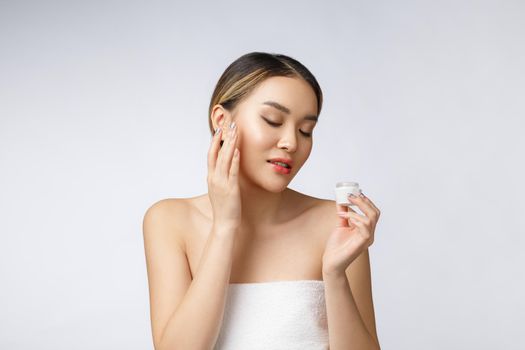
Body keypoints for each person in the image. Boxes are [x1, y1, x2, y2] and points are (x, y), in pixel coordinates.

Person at [143, 52, 382, 350]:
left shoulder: (336, 225)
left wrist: (335, 276)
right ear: (222, 120)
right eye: (272, 120)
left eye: (305, 130)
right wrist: (225, 226)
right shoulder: (170, 221)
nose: (291, 143)